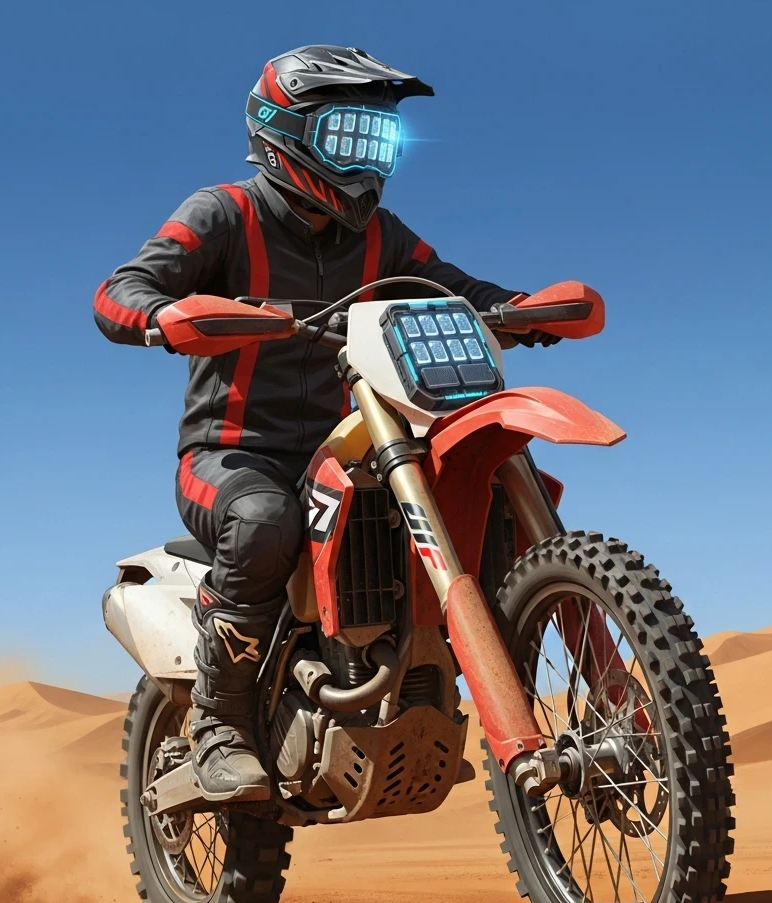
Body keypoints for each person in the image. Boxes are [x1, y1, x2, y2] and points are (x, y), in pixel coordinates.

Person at [93, 45, 555, 802]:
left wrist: (517, 308)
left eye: (379, 141)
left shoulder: (384, 239)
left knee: (476, 496)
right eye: (348, 137)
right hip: (230, 458)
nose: (366, 159)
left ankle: (493, 688)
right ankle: (219, 725)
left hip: (349, 454)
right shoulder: (223, 214)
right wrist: (164, 315)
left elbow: (455, 287)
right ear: (287, 133)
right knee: (265, 521)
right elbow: (121, 290)